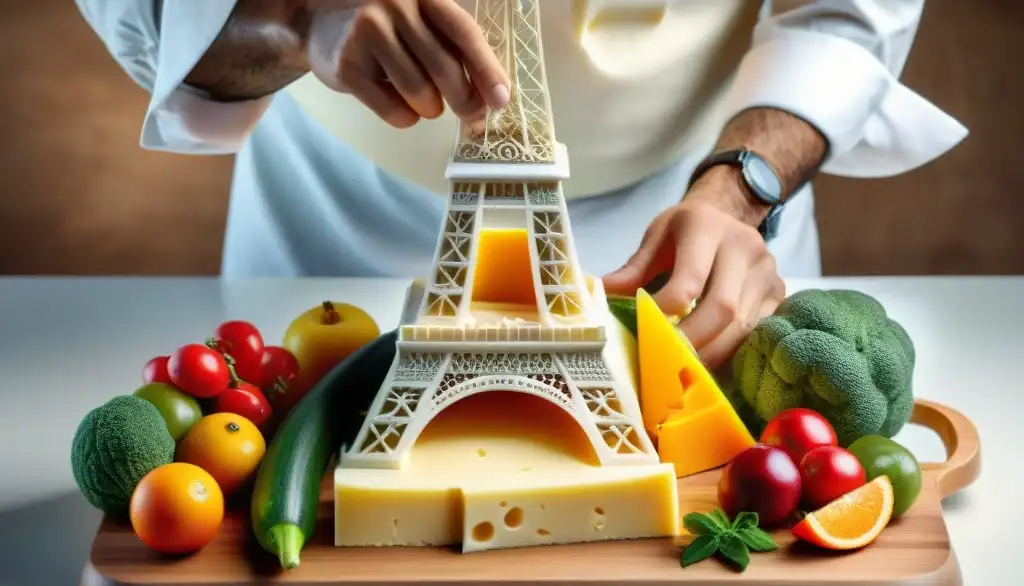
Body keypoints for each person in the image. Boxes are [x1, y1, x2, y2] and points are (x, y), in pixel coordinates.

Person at [76, 0, 965, 370]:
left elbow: (844, 9)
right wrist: (299, 16)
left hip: (706, 218)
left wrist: (741, 190)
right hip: (330, 223)